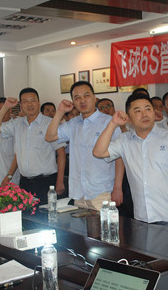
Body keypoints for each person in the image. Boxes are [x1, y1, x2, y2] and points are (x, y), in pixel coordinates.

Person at [93, 93, 168, 229]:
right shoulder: (125, 140)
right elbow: (98, 152)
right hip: (142, 216)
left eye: (148, 109)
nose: (144, 114)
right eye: (138, 111)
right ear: (129, 119)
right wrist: (113, 123)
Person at [45, 81, 123, 210]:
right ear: (73, 102)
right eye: (77, 98)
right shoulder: (73, 123)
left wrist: (118, 188)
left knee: (105, 224)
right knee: (80, 223)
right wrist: (60, 112)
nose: (82, 101)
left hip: (102, 192)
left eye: (86, 96)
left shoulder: (108, 122)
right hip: (79, 192)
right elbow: (49, 136)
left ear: (94, 98)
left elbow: (119, 158)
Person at [0, 88, 66, 204]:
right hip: (25, 183)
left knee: (47, 214)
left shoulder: (50, 123)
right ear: (20, 105)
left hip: (46, 182)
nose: (29, 104)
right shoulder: (17, 123)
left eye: (33, 100)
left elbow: (61, 153)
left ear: (38, 103)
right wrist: (5, 107)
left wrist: (60, 181)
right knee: (26, 214)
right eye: (25, 101)